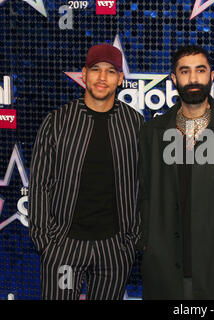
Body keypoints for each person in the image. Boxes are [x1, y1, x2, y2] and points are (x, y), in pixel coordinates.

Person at [136, 45, 214, 299]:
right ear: (173, 78)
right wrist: (147, 243)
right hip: (165, 274)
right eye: (185, 71)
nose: (193, 79)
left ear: (212, 75)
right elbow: (140, 193)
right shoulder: (150, 134)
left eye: (200, 70)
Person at [28, 43, 143, 300]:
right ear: (84, 74)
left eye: (111, 71)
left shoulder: (134, 123)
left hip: (114, 250)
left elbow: (141, 184)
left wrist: (132, 239)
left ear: (120, 79)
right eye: (95, 69)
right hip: (65, 248)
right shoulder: (57, 121)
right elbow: (40, 184)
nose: (102, 77)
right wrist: (46, 242)